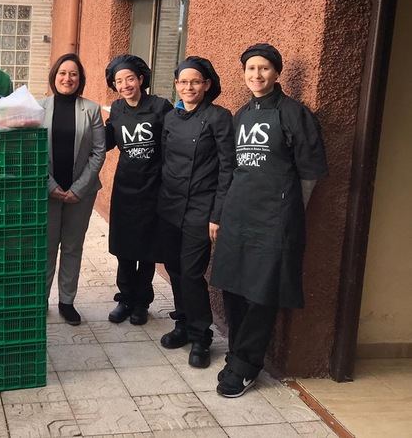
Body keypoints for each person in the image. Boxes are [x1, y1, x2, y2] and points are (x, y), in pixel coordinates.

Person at [211, 43, 328, 398]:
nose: (257, 75)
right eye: (250, 69)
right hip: (237, 216)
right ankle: (235, 353)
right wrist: (220, 215)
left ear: (276, 73)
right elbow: (230, 169)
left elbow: (310, 172)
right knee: (233, 287)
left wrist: (292, 211)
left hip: (275, 220)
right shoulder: (241, 114)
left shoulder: (294, 113)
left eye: (264, 68)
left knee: (262, 293)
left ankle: (247, 365)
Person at [156, 56, 234, 369]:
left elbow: (228, 167)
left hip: (201, 208)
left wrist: (217, 215)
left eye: (195, 81)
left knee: (191, 272)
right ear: (176, 85)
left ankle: (202, 335)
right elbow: (164, 161)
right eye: (183, 81)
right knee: (174, 269)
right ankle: (183, 325)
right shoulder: (172, 119)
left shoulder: (219, 117)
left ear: (207, 85)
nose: (188, 87)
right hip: (170, 205)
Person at [104, 55, 172, 326]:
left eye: (129, 78)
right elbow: (107, 142)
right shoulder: (117, 109)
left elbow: (172, 144)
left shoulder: (160, 106)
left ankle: (142, 302)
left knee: (147, 250)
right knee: (124, 249)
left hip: (154, 189)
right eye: (119, 81)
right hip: (125, 188)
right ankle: (125, 298)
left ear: (141, 79)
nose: (125, 85)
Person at [39, 53, 106, 326]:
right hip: (47, 191)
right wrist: (51, 185)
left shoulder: (90, 109)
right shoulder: (39, 108)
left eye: (73, 74)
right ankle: (39, 300)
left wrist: (78, 188)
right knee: (45, 248)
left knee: (72, 247)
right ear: (54, 76)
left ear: (80, 79)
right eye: (63, 73)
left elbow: (99, 152)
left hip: (81, 193)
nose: (68, 78)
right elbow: (33, 150)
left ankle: (67, 301)